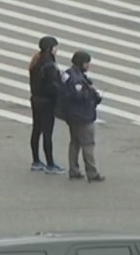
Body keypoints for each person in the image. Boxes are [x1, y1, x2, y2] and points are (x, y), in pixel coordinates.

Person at [60, 50, 104, 182]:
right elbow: (79, 96)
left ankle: (74, 170)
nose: (88, 66)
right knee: (88, 144)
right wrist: (92, 94)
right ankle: (92, 173)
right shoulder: (77, 80)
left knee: (75, 142)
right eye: (87, 63)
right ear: (81, 63)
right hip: (82, 116)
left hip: (71, 115)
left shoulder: (67, 74)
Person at [28, 36, 65, 175]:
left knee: (36, 130)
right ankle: (50, 164)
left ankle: (36, 161)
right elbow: (54, 84)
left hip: (35, 100)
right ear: (50, 48)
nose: (57, 50)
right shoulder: (49, 64)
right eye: (55, 47)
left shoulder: (36, 60)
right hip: (47, 102)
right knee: (47, 133)